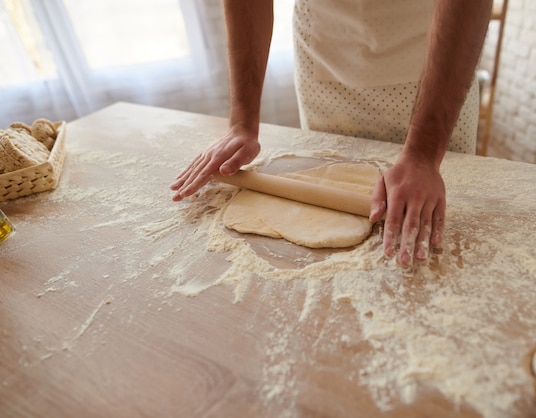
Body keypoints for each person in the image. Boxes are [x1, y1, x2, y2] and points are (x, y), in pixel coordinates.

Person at [171, 0, 492, 267]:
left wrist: (424, 154)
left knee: (438, 235)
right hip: (324, 58)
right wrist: (242, 122)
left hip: (433, 62)